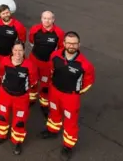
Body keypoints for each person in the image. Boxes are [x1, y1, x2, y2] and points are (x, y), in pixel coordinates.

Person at [40, 31, 95, 160]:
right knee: (54, 112)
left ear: (79, 44)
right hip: (54, 92)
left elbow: (88, 83)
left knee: (70, 121)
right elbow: (51, 71)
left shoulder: (86, 65)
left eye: (74, 43)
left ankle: (68, 146)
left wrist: (76, 92)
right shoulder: (55, 56)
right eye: (69, 43)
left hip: (71, 97)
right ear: (63, 43)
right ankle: (52, 131)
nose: (71, 46)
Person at [0, 41, 38, 156]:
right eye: (15, 50)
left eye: (20, 50)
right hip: (5, 95)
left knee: (19, 121)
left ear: (24, 51)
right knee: (2, 116)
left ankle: (17, 140)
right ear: (12, 51)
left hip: (21, 98)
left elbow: (33, 82)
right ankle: (1, 135)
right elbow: (1, 73)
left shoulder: (30, 65)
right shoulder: (5, 61)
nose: (18, 53)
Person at [28, 11, 65, 116]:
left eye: (49, 18)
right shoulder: (35, 29)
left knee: (45, 85)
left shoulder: (59, 33)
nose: (47, 20)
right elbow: (31, 42)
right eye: (44, 18)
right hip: (34, 61)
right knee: (32, 81)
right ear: (41, 19)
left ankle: (44, 104)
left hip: (48, 64)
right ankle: (31, 98)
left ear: (53, 20)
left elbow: (61, 49)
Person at [0, 4, 27, 98]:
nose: (6, 15)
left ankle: (6, 90)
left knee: (8, 74)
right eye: (3, 13)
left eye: (7, 12)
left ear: (10, 12)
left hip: (9, 56)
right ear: (0, 15)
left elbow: (22, 41)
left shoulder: (18, 25)